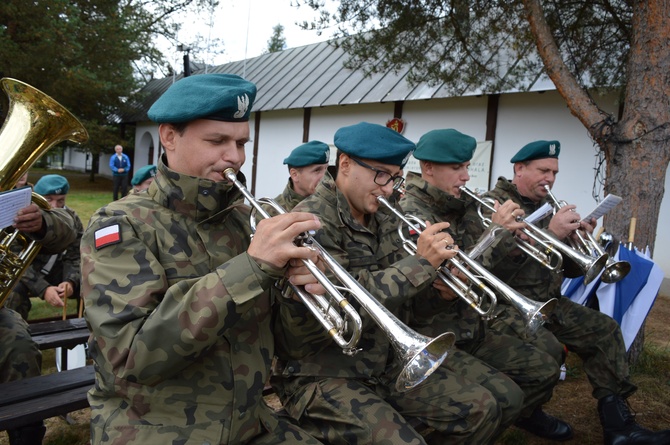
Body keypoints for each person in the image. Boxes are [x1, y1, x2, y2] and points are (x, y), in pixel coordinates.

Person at [81, 73, 328, 445]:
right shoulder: (120, 225)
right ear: (169, 136)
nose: (235, 156)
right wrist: (251, 267)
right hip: (155, 430)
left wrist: (301, 293)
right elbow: (133, 356)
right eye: (217, 141)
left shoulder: (243, 221)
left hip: (248, 423)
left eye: (242, 142)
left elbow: (289, 346)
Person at [272, 122, 525, 445]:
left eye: (394, 177)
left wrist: (443, 293)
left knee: (484, 408)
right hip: (323, 371)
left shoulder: (386, 218)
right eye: (381, 175)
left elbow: (409, 308)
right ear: (346, 164)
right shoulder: (310, 220)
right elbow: (343, 306)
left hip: (386, 360)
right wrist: (421, 265)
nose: (389, 188)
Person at [460, 139, 670, 445]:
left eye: (554, 172)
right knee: (549, 350)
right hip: (507, 305)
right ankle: (527, 412)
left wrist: (575, 243)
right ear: (519, 169)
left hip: (550, 301)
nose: (550, 178)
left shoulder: (548, 206)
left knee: (604, 329)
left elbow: (567, 269)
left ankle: (619, 427)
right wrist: (550, 235)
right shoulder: (493, 206)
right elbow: (486, 269)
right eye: (543, 170)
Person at [399, 129, 571, 441]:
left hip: (471, 324)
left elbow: (478, 258)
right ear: (428, 169)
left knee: (544, 371)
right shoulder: (414, 213)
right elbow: (454, 276)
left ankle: (506, 425)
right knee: (501, 399)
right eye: (457, 168)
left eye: (467, 167)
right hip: (439, 332)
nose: (466, 176)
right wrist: (496, 233)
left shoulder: (458, 203)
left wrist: (506, 234)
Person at [1, 199, 78, 444]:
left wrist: (43, 224)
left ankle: (26, 435)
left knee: (21, 347)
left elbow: (68, 230)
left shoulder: (10, 195)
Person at [5, 174, 84, 321]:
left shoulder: (72, 217)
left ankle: (85, 331)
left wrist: (70, 281)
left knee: (91, 281)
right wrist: (43, 288)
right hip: (26, 274)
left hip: (56, 269)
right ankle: (17, 333)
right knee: (12, 292)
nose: (54, 206)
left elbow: (75, 255)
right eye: (48, 200)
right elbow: (15, 263)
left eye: (60, 200)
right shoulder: (22, 218)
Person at [274, 140, 330, 211]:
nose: (325, 177)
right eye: (317, 170)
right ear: (295, 175)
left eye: (326, 169)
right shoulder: (269, 211)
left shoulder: (333, 206)